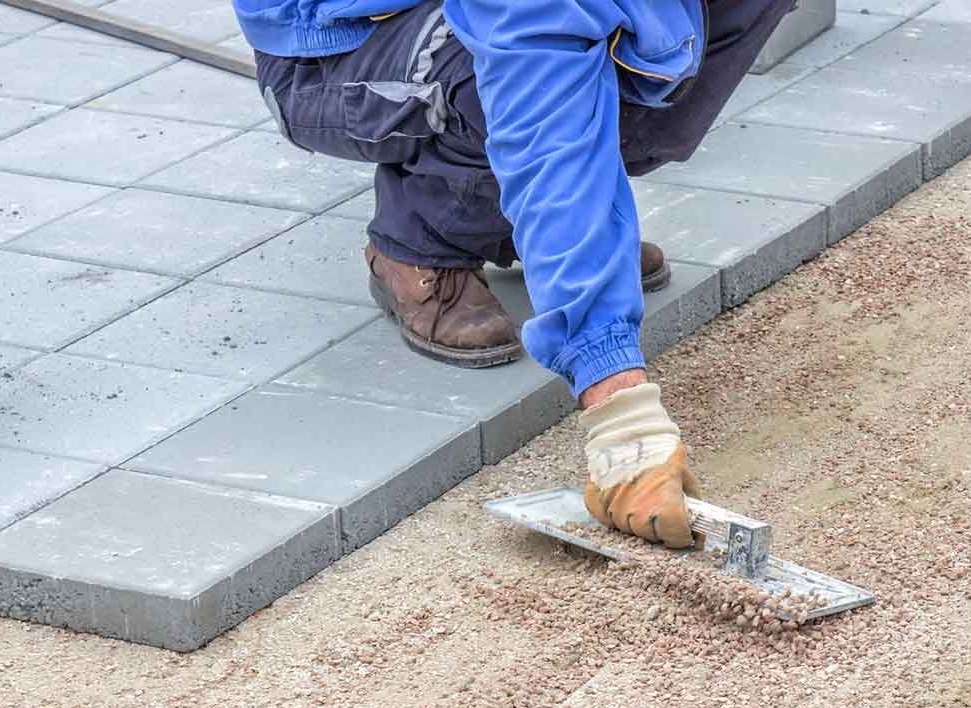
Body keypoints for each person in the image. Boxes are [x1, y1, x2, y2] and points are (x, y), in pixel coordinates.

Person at [233, 0, 796, 547]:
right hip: (333, 54)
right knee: (512, 87)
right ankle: (422, 233)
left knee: (662, 35)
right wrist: (622, 416)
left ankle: (550, 221)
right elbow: (538, 87)